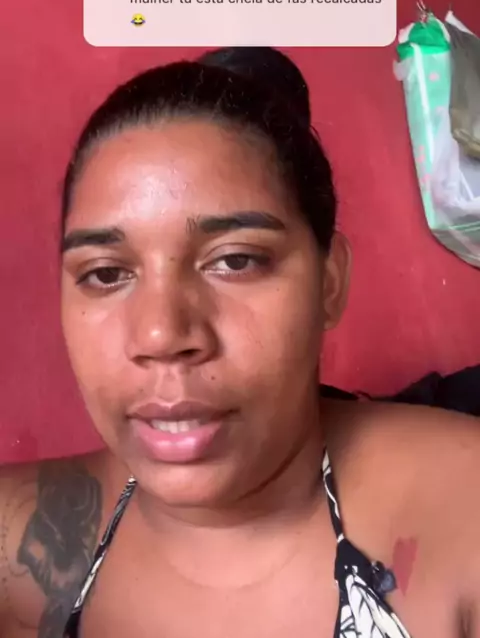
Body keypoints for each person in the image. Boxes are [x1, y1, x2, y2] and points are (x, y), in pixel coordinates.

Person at [1, 47, 480, 638]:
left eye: (235, 261)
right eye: (105, 273)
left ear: (330, 283)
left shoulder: (464, 515)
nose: (161, 335)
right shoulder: (18, 544)